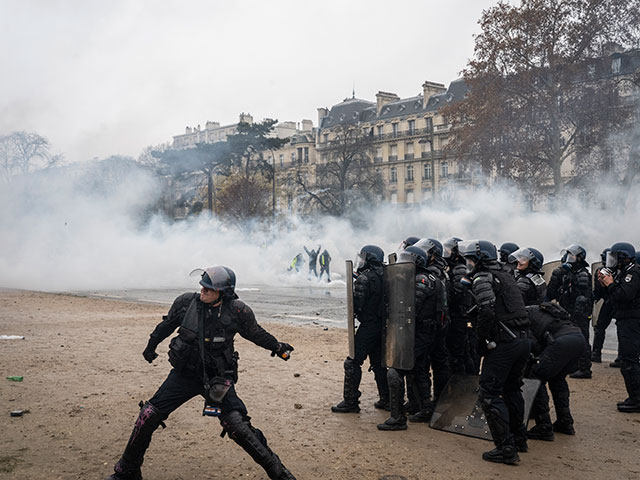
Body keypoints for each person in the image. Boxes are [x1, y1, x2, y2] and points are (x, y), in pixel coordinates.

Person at [106, 266, 296, 480]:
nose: (202, 290)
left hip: (217, 379)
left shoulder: (238, 311)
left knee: (239, 427)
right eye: (202, 286)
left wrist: (277, 347)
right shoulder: (185, 303)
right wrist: (151, 346)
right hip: (184, 375)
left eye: (208, 288)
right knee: (148, 415)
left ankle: (280, 474)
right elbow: (166, 325)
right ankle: (127, 471)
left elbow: (256, 334)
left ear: (223, 292)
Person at [459, 240, 531, 465]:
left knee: (488, 395)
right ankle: (519, 439)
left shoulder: (483, 277)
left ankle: (506, 449)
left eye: (470, 259)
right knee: (512, 389)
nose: (468, 264)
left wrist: (481, 340)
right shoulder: (506, 274)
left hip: (504, 342)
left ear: (480, 260)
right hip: (523, 340)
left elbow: (487, 310)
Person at [377, 246, 447, 431]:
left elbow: (410, 306)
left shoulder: (421, 280)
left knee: (396, 370)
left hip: (419, 332)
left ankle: (397, 417)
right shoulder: (430, 277)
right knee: (419, 370)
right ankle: (426, 408)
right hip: (426, 332)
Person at [332, 245, 389, 413]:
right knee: (379, 364)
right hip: (383, 326)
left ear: (369, 258)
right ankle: (386, 399)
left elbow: (357, 305)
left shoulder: (365, 278)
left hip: (369, 325)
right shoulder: (388, 275)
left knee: (353, 362)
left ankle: (351, 401)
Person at [526, 302, 586, 440]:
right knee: (558, 378)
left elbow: (532, 345)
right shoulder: (543, 310)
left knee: (535, 377)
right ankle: (565, 421)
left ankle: (544, 426)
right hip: (579, 339)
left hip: (561, 342)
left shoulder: (525, 316)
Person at [598, 242, 640, 413]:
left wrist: (611, 284)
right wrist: (606, 285)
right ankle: (634, 397)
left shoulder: (633, 272)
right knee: (626, 361)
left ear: (623, 257)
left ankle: (637, 399)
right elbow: (615, 296)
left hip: (631, 321)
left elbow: (625, 295)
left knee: (629, 361)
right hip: (625, 320)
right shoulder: (625, 272)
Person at [545, 244, 593, 379]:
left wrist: (576, 315)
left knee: (582, 338)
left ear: (579, 258)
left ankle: (585, 368)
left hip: (579, 313)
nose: (567, 258)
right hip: (567, 309)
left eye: (571, 256)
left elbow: (583, 297)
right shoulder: (566, 273)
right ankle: (574, 365)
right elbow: (551, 292)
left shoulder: (582, 274)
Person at [443, 237, 476, 375]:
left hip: (459, 317)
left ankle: (462, 384)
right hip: (459, 316)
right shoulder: (457, 268)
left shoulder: (460, 270)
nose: (446, 253)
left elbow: (457, 293)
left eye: (448, 250)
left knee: (458, 354)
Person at [591, 248, 615, 364]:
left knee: (623, 328)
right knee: (599, 327)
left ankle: (621, 356)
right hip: (609, 301)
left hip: (617, 301)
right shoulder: (601, 271)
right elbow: (598, 292)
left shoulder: (621, 271)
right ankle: (596, 353)